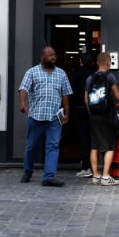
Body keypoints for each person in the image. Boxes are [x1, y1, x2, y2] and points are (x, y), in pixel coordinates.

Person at [19, 46, 73, 187]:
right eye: (50, 55)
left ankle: (48, 177)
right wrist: (23, 103)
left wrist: (67, 112)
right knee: (31, 147)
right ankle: (28, 171)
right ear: (42, 56)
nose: (53, 57)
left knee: (53, 146)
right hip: (36, 117)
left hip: (55, 118)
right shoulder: (32, 72)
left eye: (54, 55)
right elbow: (24, 88)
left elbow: (65, 94)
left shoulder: (61, 74)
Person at [85, 52, 119, 186]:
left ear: (97, 63)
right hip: (106, 116)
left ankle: (95, 176)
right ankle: (105, 177)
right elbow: (117, 96)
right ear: (108, 63)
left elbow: (86, 99)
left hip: (93, 116)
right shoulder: (110, 77)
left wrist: (91, 112)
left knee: (94, 146)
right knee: (109, 146)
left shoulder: (90, 78)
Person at [71, 53, 96, 178]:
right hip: (94, 111)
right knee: (92, 138)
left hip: (80, 109)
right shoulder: (95, 74)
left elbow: (71, 92)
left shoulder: (77, 73)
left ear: (80, 61)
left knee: (83, 139)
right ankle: (93, 165)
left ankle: (86, 167)